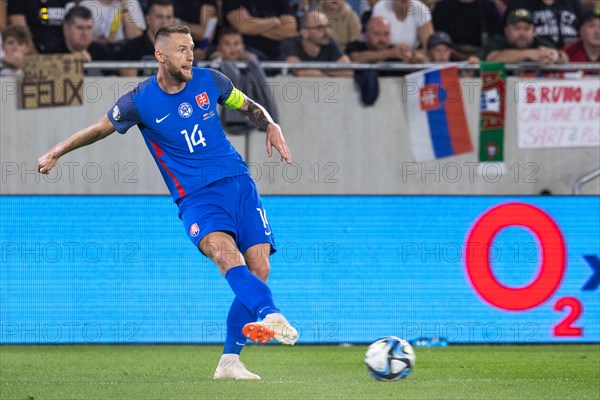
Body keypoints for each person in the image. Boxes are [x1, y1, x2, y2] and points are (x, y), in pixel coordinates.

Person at [37, 24, 298, 381]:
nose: (190, 55)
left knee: (260, 267)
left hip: (238, 183)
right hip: (197, 198)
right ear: (161, 55)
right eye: (181, 50)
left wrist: (270, 123)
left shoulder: (212, 81)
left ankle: (229, 362)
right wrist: (57, 150)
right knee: (225, 256)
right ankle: (271, 313)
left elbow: (249, 105)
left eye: (191, 48)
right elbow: (100, 127)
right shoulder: (138, 101)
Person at [280, 10, 353, 77]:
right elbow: (300, 73)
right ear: (305, 33)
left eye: (328, 26)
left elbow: (349, 71)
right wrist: (333, 73)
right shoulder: (290, 44)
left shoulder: (330, 43)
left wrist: (321, 73)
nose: (327, 32)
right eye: (320, 27)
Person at [484, 8, 568, 65]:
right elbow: (492, 59)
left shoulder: (539, 41)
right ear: (506, 31)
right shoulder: (498, 41)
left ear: (533, 31)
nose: (522, 33)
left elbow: (565, 58)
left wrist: (555, 55)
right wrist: (529, 54)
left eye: (527, 29)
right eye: (517, 28)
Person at [222, 0, 297, 60]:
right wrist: (275, 21)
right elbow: (243, 27)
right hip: (247, 51)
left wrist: (252, 24)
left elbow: (291, 30)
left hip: (278, 53)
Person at [117, 0, 175, 76]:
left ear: (173, 21)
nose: (164, 22)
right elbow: (129, 84)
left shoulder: (180, 48)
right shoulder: (132, 48)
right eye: (159, 17)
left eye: (168, 17)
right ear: (148, 19)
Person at [432, 0, 502, 60]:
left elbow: (496, 38)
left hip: (483, 60)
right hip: (450, 60)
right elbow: (439, 41)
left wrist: (479, 59)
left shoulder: (488, 6)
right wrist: (465, 59)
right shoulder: (442, 7)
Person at [505, 0, 586, 48]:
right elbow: (508, 32)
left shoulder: (572, 2)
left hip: (571, 58)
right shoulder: (520, 3)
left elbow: (584, 28)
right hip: (536, 60)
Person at [46, 6, 112, 64]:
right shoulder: (52, 54)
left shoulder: (101, 52)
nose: (85, 33)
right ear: (66, 29)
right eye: (79, 28)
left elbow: (113, 76)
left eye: (89, 28)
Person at [6, 0, 75, 53]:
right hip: (32, 54)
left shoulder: (67, 2)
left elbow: (75, 28)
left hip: (65, 55)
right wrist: (38, 58)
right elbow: (21, 33)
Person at [79, 0, 146, 45]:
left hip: (122, 49)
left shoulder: (130, 2)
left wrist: (124, 9)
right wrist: (97, 42)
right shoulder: (85, 4)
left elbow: (137, 39)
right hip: (93, 48)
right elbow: (77, 38)